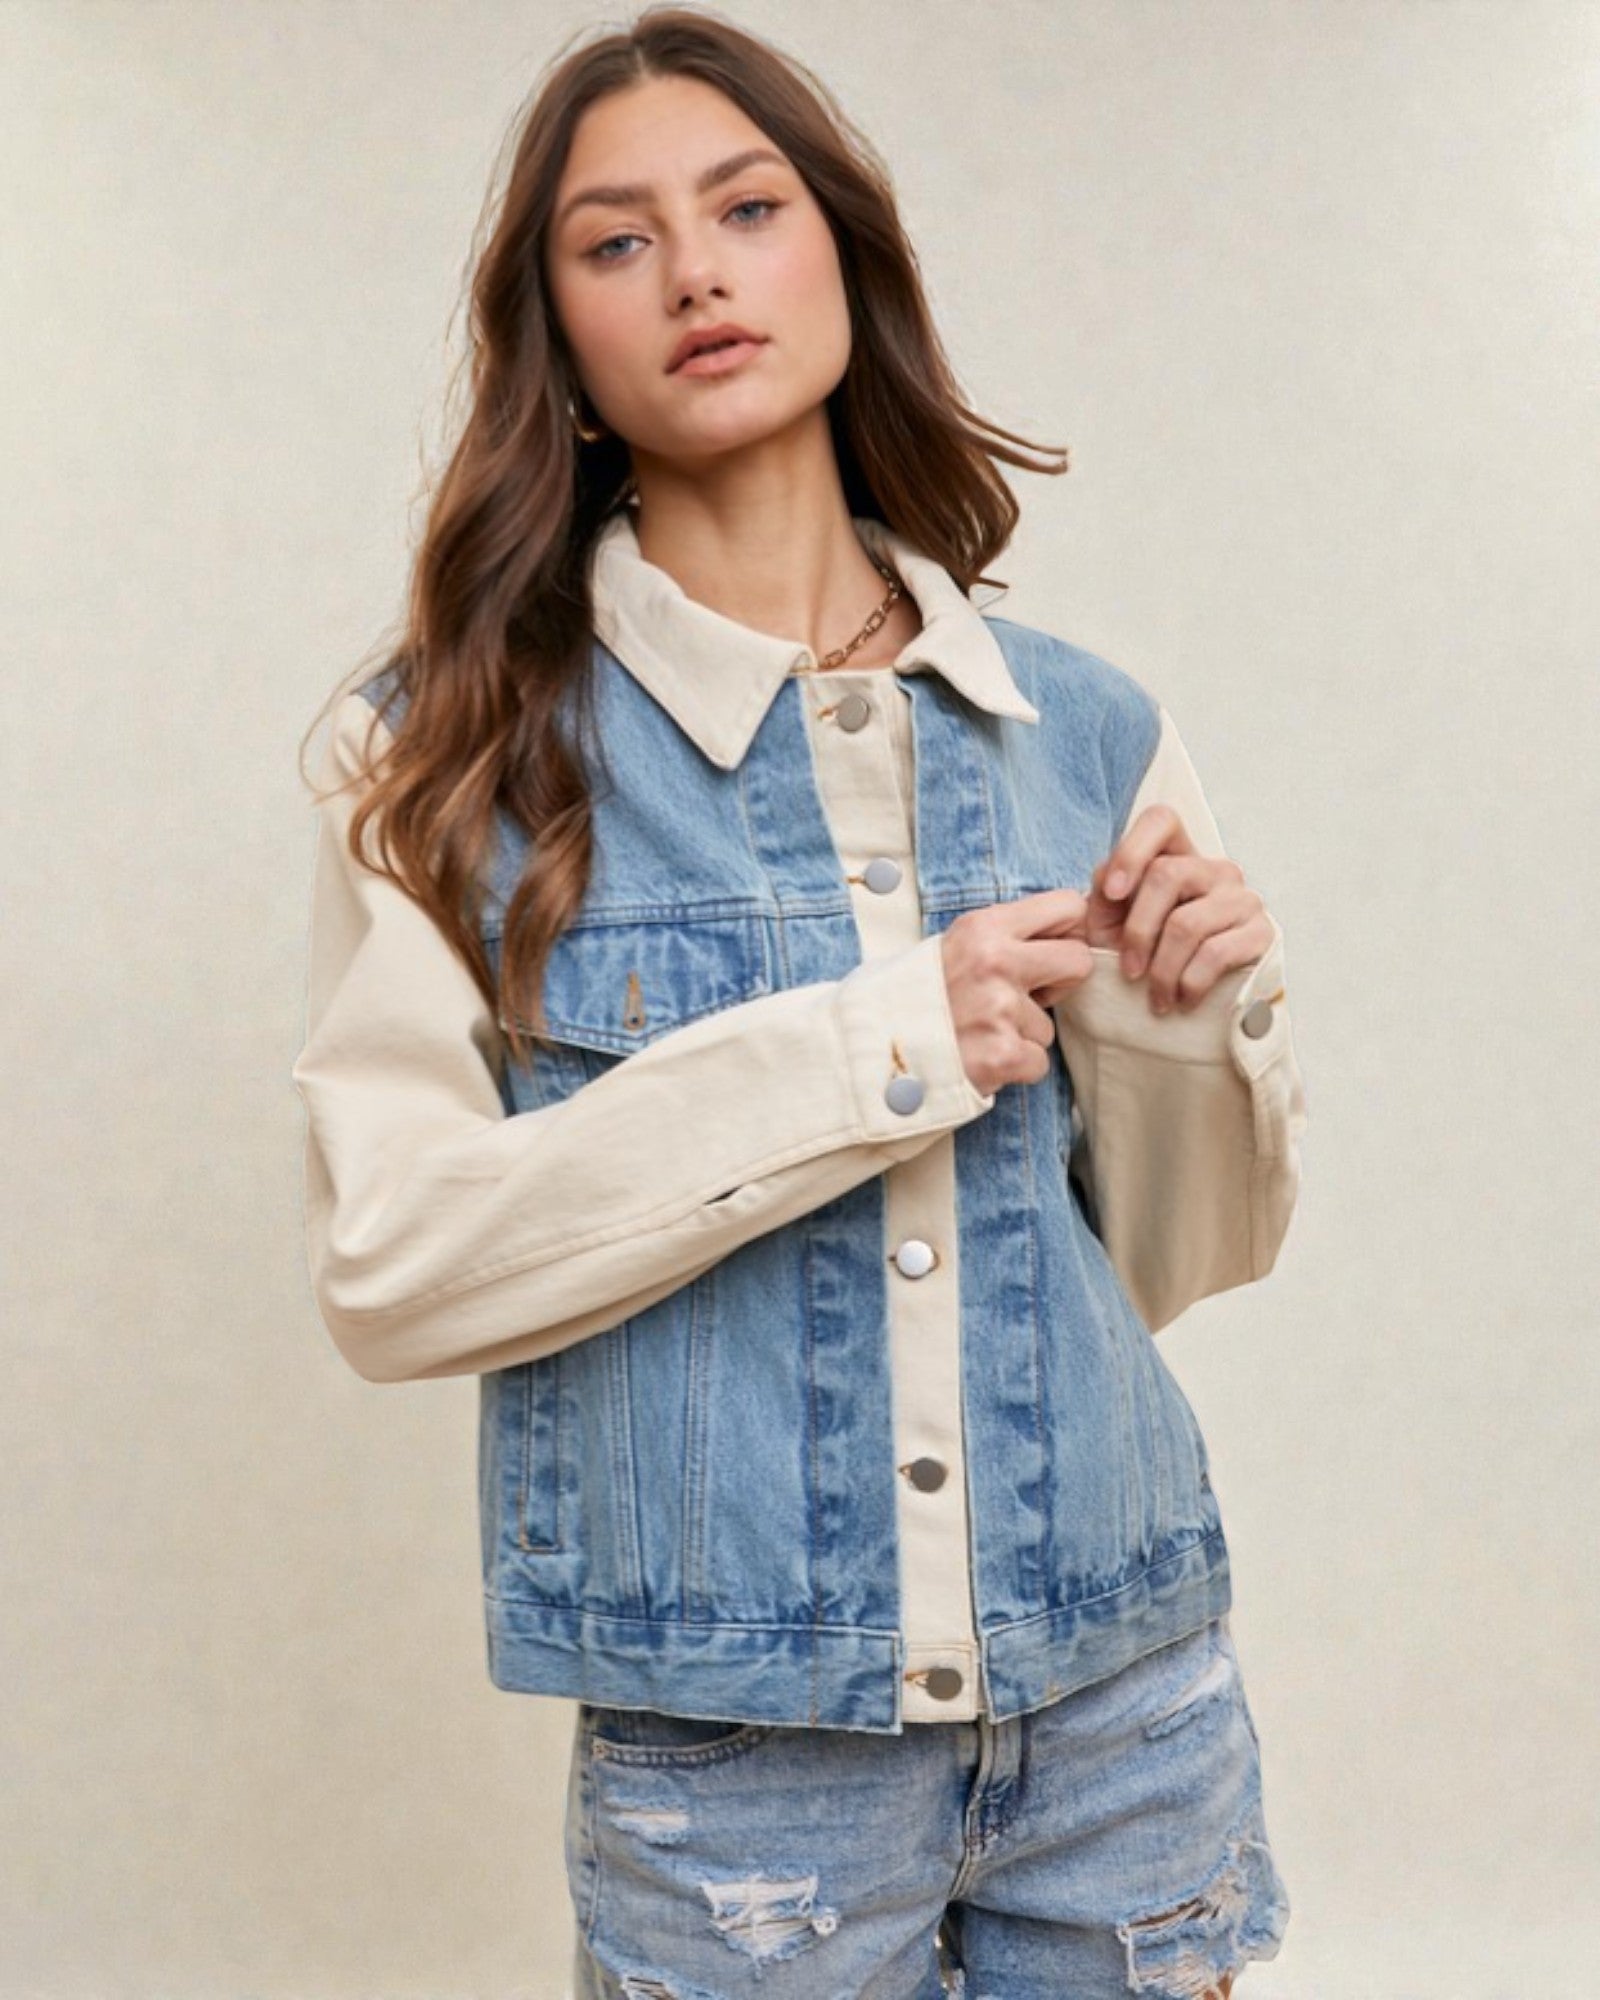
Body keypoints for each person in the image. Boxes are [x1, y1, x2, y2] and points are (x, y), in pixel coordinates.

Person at [291, 10, 1308, 1995]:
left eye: (745, 207)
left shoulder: (1085, 726)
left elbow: (1170, 1266)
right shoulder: (435, 761)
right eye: (614, 240)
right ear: (554, 336)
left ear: (840, 253)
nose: (692, 270)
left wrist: (1189, 1026)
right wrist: (869, 1050)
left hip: (1123, 1696)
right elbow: (391, 1264)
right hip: (742, 1763)